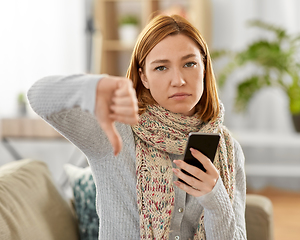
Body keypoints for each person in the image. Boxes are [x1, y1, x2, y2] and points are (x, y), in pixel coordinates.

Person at [28, 14, 247, 240]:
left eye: (189, 63)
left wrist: (215, 198)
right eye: (161, 68)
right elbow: (37, 95)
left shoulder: (229, 150)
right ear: (143, 77)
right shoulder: (117, 131)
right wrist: (94, 86)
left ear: (204, 67)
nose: (179, 80)